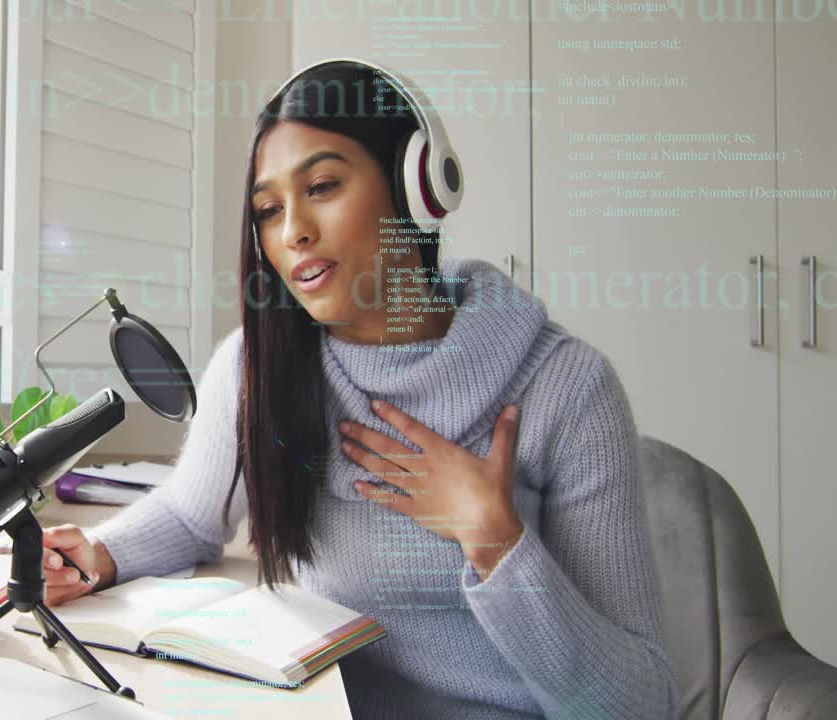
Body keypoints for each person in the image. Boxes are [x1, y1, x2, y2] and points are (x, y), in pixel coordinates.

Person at [39, 60, 678, 719]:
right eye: (268, 209)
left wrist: (492, 538)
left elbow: (639, 705)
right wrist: (100, 553)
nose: (293, 233)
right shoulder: (257, 366)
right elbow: (190, 516)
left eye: (321, 185)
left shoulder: (566, 388)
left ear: (418, 187)